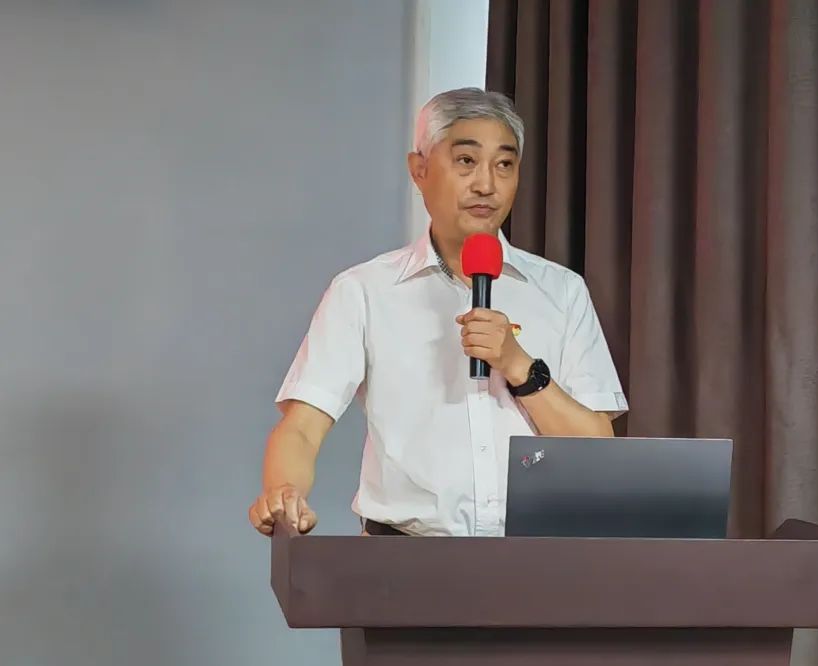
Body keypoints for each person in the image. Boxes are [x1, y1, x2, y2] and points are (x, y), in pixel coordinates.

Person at [248, 87, 628, 537]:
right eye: (466, 161)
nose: (486, 184)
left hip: (535, 558)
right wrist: (284, 491)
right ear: (419, 169)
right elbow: (303, 427)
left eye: (504, 165)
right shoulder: (364, 291)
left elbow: (597, 450)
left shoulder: (562, 291)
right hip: (402, 558)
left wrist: (519, 366)